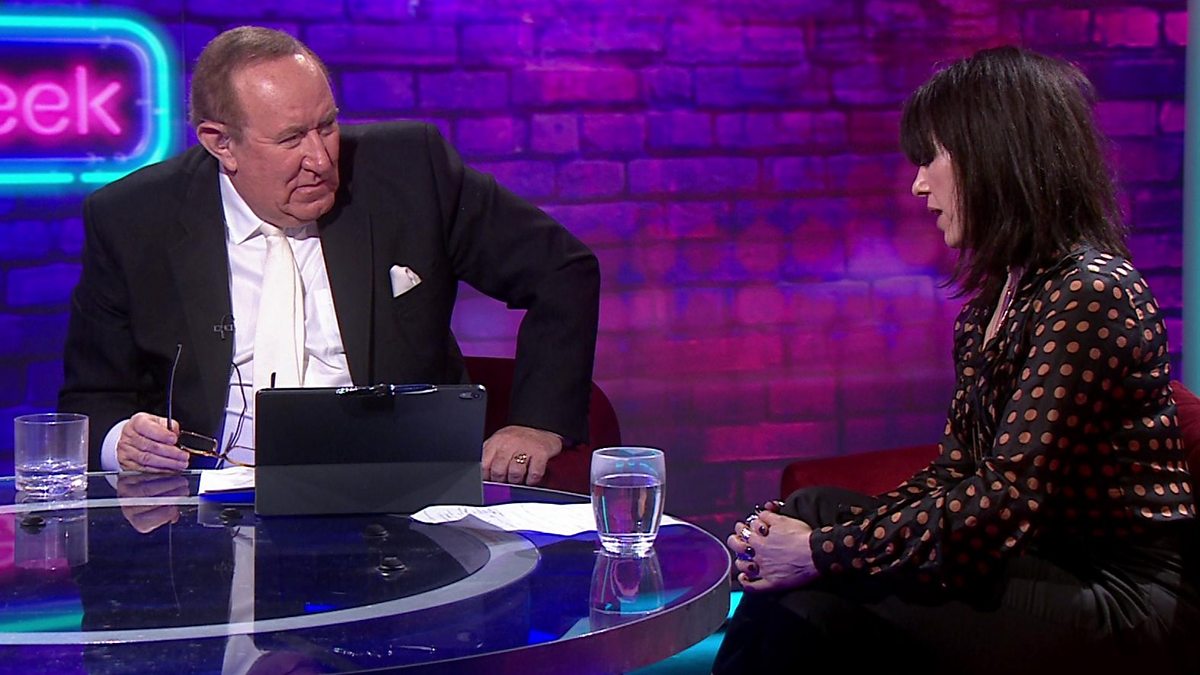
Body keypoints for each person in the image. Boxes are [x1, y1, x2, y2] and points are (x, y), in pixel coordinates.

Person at [715, 46, 1199, 674]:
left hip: (1117, 598)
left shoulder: (1089, 291)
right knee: (812, 509)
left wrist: (821, 554)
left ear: (992, 156)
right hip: (1036, 565)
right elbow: (954, 474)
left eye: (931, 158)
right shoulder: (994, 303)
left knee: (819, 592)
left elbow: (1005, 499)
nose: (918, 185)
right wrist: (806, 536)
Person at [58, 26, 599, 486]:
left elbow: (562, 270)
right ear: (220, 143)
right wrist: (122, 442)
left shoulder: (410, 172)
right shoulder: (134, 219)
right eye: (291, 138)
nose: (320, 158)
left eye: (327, 126)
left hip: (402, 493)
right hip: (209, 508)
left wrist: (537, 423)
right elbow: (93, 398)